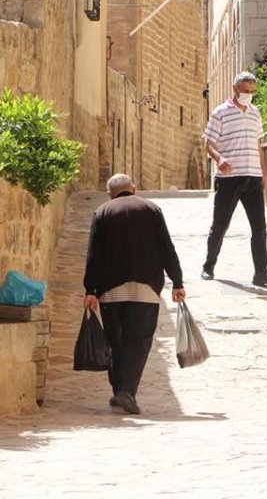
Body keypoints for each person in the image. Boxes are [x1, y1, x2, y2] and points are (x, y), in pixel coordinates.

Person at [82, 174, 185, 415]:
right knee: (138, 342)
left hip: (111, 292)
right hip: (146, 290)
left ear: (110, 193)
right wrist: (177, 281)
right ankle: (126, 391)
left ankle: (121, 390)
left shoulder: (103, 212)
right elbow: (166, 247)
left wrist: (90, 289)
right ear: (134, 189)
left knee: (115, 343)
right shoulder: (152, 209)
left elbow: (93, 255)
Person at [200, 71, 267, 287]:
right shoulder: (220, 112)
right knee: (220, 224)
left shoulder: (255, 113)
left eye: (252, 92)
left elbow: (258, 144)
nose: (249, 95)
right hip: (229, 178)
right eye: (245, 90)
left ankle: (261, 273)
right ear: (235, 89)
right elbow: (209, 143)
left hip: (252, 177)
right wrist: (219, 159)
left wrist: (263, 172)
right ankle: (208, 266)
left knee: (259, 227)